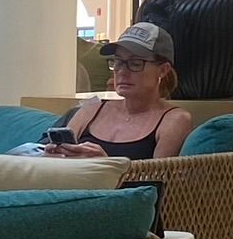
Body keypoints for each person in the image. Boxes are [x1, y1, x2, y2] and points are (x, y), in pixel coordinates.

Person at [48, 20, 194, 161]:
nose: (122, 71)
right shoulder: (91, 110)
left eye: (135, 63)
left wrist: (108, 165)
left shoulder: (174, 120)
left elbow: (160, 181)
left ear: (163, 70)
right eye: (117, 62)